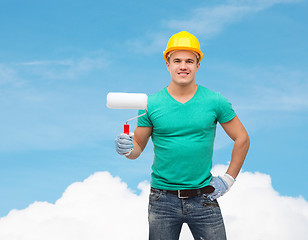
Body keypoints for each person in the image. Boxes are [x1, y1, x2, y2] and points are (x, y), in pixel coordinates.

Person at [115, 31, 250, 240]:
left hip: (204, 197)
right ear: (168, 64)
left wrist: (229, 179)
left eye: (189, 61)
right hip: (162, 200)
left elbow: (242, 137)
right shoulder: (151, 104)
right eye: (177, 60)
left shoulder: (215, 101)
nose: (183, 66)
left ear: (198, 65)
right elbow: (138, 147)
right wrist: (127, 148)